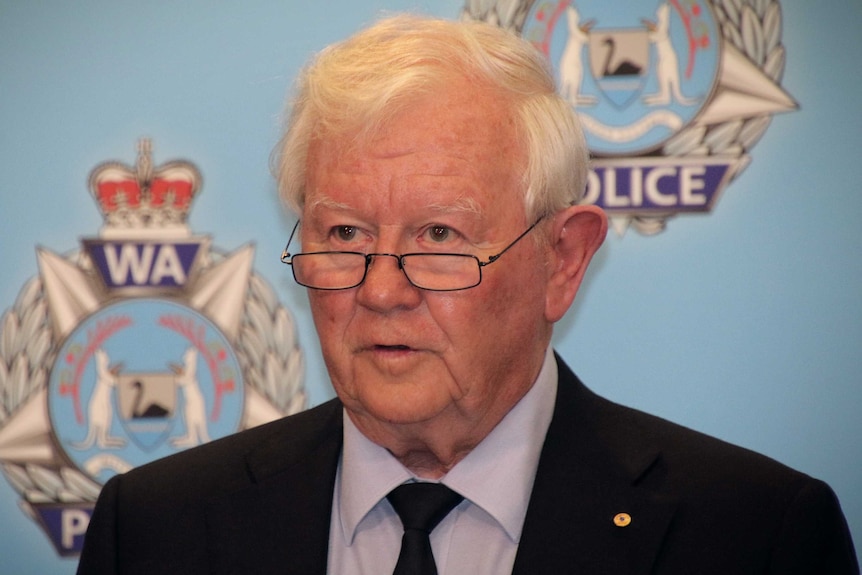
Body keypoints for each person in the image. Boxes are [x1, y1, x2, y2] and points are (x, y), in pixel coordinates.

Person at [77, 14, 858, 575]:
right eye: (345, 235)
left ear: (562, 260)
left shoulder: (756, 536)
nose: (381, 290)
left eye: (439, 238)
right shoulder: (154, 529)